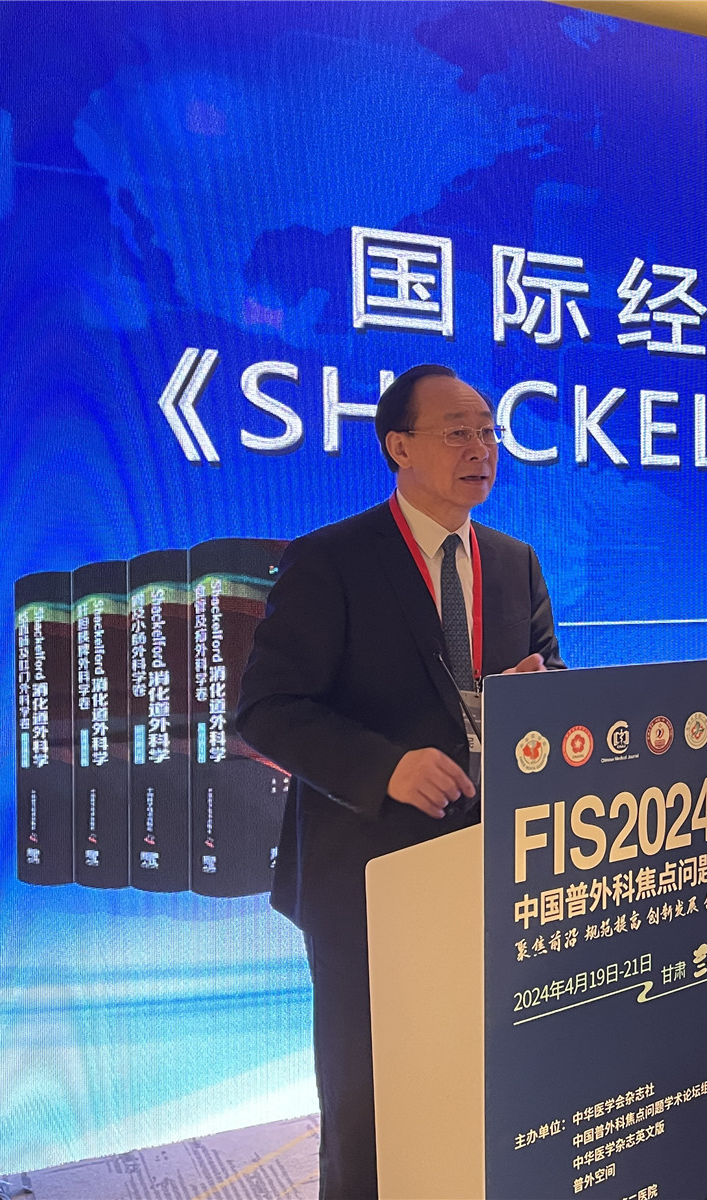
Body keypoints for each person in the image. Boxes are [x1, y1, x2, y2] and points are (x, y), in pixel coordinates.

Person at [237, 364, 563, 1199]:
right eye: (457, 432)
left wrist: (531, 701)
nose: (480, 449)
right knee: (370, 1101)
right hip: (366, 874)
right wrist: (386, 767)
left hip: (489, 868)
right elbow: (266, 712)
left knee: (476, 1083)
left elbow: (550, 683)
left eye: (488, 432)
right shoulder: (331, 560)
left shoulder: (515, 562)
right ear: (400, 447)